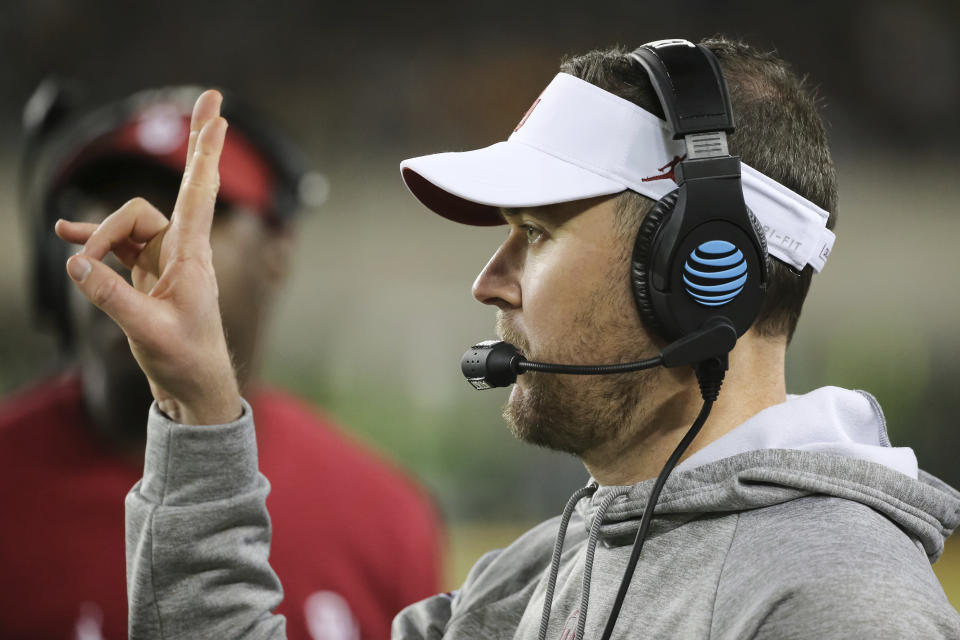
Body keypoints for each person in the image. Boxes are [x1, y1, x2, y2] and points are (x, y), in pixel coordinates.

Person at [55, 36, 960, 639]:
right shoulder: (539, 575)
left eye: (537, 231)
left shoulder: (843, 604)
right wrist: (198, 403)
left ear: (697, 262)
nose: (488, 280)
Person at [2, 84, 441, 640]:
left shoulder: (386, 514)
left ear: (277, 250)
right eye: (105, 205)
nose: (141, 242)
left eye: (197, 213)